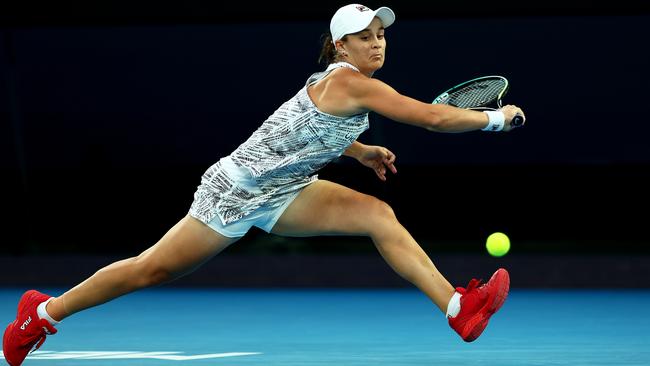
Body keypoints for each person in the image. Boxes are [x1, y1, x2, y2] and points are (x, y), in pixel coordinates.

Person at [3, 4, 525, 365]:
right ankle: (42, 313)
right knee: (149, 270)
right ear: (341, 44)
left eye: (381, 35)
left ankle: (458, 308)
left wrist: (360, 150)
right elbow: (433, 118)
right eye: (364, 37)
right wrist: (498, 120)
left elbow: (309, 132)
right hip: (233, 191)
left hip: (288, 189)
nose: (376, 43)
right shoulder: (347, 80)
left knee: (377, 216)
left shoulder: (338, 86)